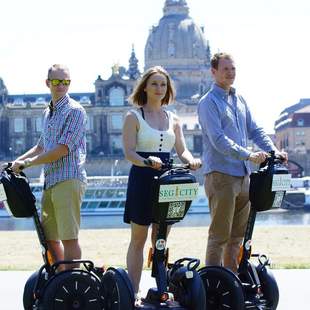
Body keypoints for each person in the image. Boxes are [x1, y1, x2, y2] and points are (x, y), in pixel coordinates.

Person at [198, 53, 288, 273]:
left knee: (237, 236)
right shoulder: (208, 103)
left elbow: (255, 130)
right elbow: (218, 140)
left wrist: (273, 151)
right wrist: (248, 155)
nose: (230, 73)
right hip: (221, 175)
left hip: (243, 176)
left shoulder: (239, 100)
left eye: (233, 69)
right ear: (213, 72)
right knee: (219, 235)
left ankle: (232, 282)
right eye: (225, 69)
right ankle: (213, 284)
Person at [122, 66, 201, 298]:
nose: (159, 88)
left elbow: (182, 150)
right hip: (142, 178)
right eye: (154, 84)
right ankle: (133, 292)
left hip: (167, 181)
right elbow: (129, 153)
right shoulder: (133, 116)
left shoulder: (173, 119)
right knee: (138, 238)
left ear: (168, 89)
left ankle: (161, 288)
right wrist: (147, 162)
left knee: (161, 237)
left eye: (163, 84)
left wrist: (191, 161)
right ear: (145, 87)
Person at [11, 64, 87, 270]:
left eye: (65, 81)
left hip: (69, 178)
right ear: (48, 83)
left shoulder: (75, 111)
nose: (61, 85)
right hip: (51, 181)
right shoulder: (47, 112)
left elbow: (62, 149)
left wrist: (27, 164)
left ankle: (73, 284)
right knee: (50, 237)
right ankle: (61, 278)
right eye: (56, 81)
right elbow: (41, 146)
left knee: (69, 237)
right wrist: (15, 162)